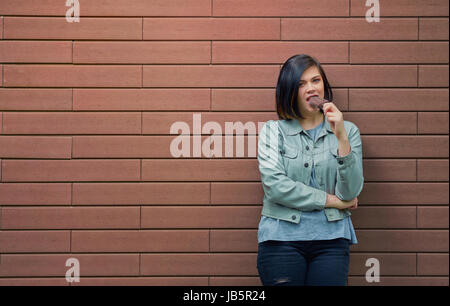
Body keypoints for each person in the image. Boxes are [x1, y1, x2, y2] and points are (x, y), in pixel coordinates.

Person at [256, 54, 364, 286]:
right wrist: (331, 201)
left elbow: (351, 192)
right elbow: (276, 187)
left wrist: (341, 137)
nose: (311, 89)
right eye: (301, 84)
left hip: (332, 241)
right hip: (280, 240)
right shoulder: (272, 132)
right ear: (289, 91)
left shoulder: (349, 131)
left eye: (315, 80)